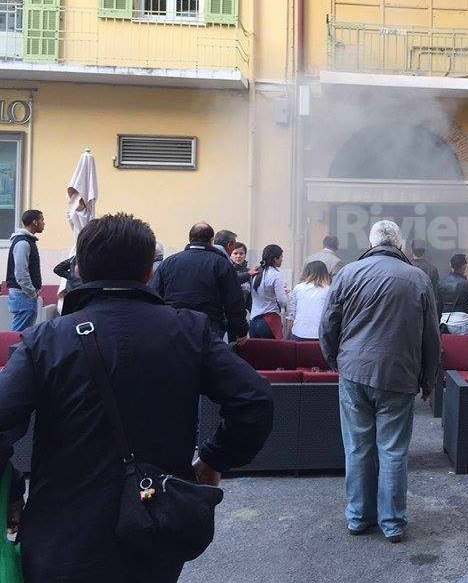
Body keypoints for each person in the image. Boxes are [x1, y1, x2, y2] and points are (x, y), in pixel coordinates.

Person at [0, 212, 273, 582]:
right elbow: (254, 401)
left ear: (80, 268)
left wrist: (13, 487)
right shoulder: (189, 331)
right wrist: (213, 459)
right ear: (149, 272)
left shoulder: (45, 340)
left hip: (61, 535)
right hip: (154, 527)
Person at [320, 220, 440, 543]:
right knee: (393, 451)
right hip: (399, 376)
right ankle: (393, 522)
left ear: (371, 243)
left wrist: (335, 361)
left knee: (357, 447)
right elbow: (432, 337)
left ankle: (359, 517)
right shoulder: (418, 279)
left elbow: (328, 324)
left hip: (354, 372)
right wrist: (428, 379)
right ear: (400, 245)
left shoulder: (348, 274)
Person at [149, 222, 249, 344]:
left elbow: (153, 295)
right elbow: (234, 301)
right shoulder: (222, 264)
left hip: (174, 327)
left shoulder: (169, 262)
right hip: (208, 328)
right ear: (211, 240)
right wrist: (241, 330)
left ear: (190, 238)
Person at [7, 209, 45, 332]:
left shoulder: (27, 241)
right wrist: (32, 293)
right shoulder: (23, 242)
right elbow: (21, 273)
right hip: (22, 295)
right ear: (34, 222)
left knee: (23, 336)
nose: (44, 223)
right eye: (42, 220)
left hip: (24, 295)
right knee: (18, 337)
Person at [250, 244, 289, 340]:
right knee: (271, 354)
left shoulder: (256, 272)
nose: (282, 259)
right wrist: (285, 294)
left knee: (257, 354)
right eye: (281, 257)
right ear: (275, 259)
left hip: (253, 322)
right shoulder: (275, 274)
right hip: (269, 322)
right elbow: (282, 301)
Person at [287, 261, 332, 341]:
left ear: (307, 272)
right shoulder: (329, 290)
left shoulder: (298, 288)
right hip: (319, 334)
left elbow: (292, 309)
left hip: (299, 332)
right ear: (325, 273)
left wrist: (290, 321)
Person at [438, 253, 468, 335]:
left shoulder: (441, 282)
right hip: (462, 320)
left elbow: (438, 302)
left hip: (445, 320)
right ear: (464, 266)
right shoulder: (465, 283)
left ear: (451, 265)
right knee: (464, 346)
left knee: (447, 346)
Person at [408, 239, 440, 316]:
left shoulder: (406, 267)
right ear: (425, 251)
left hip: (410, 307)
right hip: (428, 308)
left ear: (412, 250)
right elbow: (436, 293)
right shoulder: (433, 270)